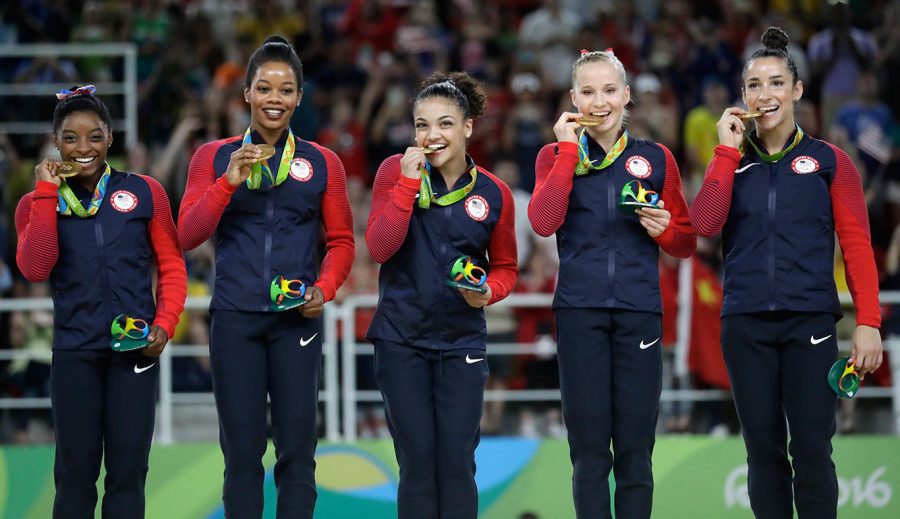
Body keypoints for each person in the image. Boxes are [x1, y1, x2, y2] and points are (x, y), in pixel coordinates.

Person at [690, 27, 884, 519]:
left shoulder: (830, 162)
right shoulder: (730, 163)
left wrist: (868, 321)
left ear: (797, 90)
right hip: (745, 325)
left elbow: (858, 245)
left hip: (810, 325)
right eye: (754, 85)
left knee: (814, 451)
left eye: (776, 83)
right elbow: (704, 226)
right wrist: (725, 152)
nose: (765, 94)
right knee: (763, 453)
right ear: (743, 96)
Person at [177, 36, 354, 518]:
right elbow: (188, 234)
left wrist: (326, 288)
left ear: (299, 97)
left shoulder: (322, 162)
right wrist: (226, 183)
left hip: (296, 318)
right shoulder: (212, 157)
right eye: (264, 88)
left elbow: (341, 243)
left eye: (286, 89)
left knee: (297, 452)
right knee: (241, 455)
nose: (275, 98)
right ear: (247, 95)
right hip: (235, 319)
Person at [528, 49, 696, 518]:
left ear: (626, 95)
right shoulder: (553, 155)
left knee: (636, 453)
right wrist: (565, 153)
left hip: (639, 311)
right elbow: (542, 222)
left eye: (608, 90)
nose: (598, 101)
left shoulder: (656, 158)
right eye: (587, 91)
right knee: (588, 455)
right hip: (579, 312)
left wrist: (664, 228)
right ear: (572, 98)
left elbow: (685, 243)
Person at [14, 85, 186, 518]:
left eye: (95, 136)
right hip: (75, 352)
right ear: (55, 142)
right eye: (70, 137)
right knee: (75, 475)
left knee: (128, 474)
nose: (83, 147)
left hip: (136, 350)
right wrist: (46, 194)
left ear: (111, 138)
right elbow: (35, 268)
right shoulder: (35, 203)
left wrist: (164, 323)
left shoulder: (145, 192)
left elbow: (171, 265)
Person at [366, 71, 518, 519]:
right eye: (422, 125)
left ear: (468, 127)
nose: (433, 135)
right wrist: (408, 186)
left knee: (456, 463)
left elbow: (506, 268)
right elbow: (379, 247)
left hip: (461, 342)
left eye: (445, 123)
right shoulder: (394, 173)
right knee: (416, 463)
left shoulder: (495, 193)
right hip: (400, 339)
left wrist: (489, 292)